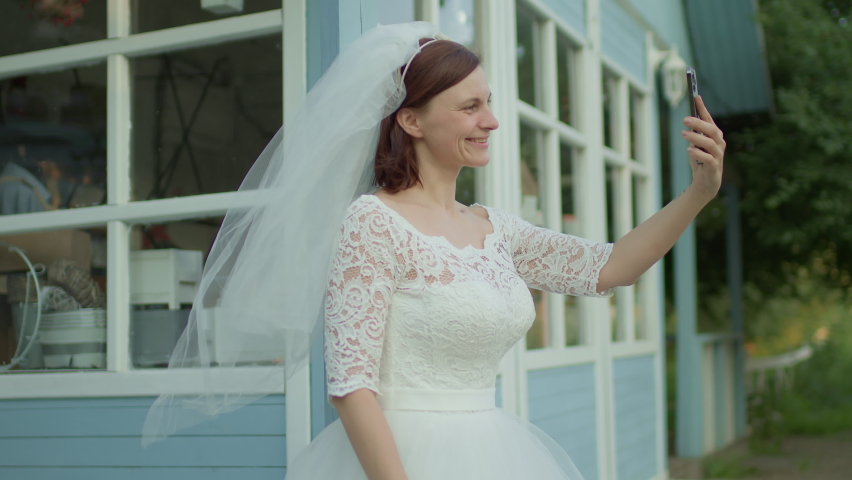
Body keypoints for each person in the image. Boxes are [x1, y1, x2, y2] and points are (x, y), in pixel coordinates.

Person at [141, 22, 725, 480]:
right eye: (469, 107)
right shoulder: (372, 223)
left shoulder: (496, 229)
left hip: (495, 453)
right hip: (398, 462)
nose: (491, 121)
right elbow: (350, 386)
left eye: (488, 102)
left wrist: (699, 193)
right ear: (411, 119)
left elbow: (610, 267)